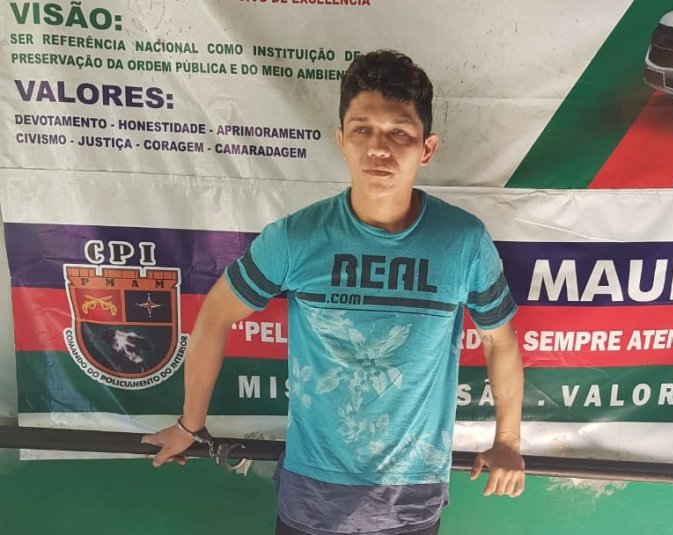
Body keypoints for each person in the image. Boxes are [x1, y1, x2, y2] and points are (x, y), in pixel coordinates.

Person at [143, 49, 525, 535]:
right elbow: (216, 316)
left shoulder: (463, 242)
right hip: (311, 497)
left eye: (399, 132)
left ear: (426, 148)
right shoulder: (296, 238)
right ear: (341, 139)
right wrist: (190, 424)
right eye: (362, 129)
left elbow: (499, 339)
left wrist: (508, 441)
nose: (378, 148)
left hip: (411, 499)